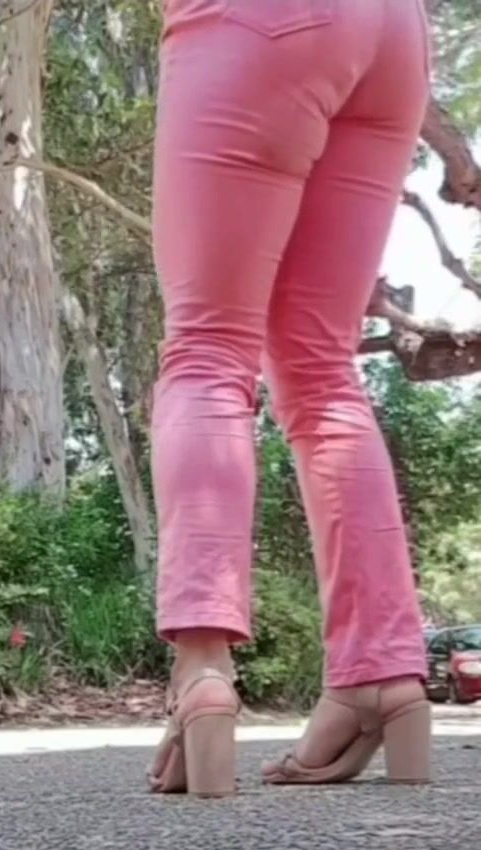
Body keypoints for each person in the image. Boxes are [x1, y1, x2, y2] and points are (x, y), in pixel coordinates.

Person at [148, 0, 432, 796]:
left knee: (207, 349)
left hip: (260, 21)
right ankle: (379, 672)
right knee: (323, 367)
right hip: (396, 31)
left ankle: (202, 669)